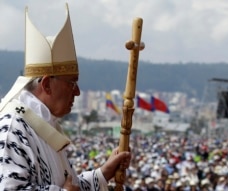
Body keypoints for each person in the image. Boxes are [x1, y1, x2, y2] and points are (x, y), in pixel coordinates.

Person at [0, 3, 131, 191]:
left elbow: (70, 185)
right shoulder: (12, 128)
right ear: (46, 85)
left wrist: (103, 173)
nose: (77, 92)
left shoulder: (43, 125)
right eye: (72, 83)